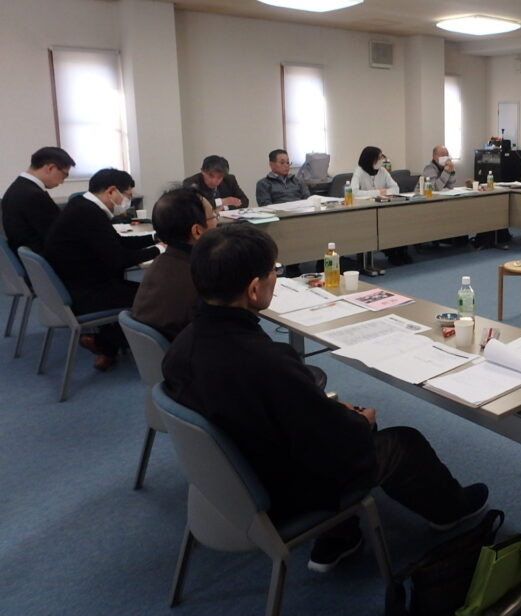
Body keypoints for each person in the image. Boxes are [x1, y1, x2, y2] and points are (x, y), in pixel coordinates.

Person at [161, 224, 488, 572]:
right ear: (254, 289)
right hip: (281, 491)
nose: (276, 278)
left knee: (336, 414)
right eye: (273, 271)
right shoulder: (267, 362)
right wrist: (359, 421)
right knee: (403, 442)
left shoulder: (181, 347)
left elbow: (285, 413)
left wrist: (328, 409)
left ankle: (341, 536)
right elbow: (334, 440)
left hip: (231, 478)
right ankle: (450, 510)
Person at [45, 168, 162, 369]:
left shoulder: (81, 205)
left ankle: (106, 345)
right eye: (127, 196)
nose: (128, 201)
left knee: (144, 292)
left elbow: (117, 242)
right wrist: (158, 250)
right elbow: (118, 259)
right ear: (111, 191)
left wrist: (154, 238)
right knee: (154, 298)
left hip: (75, 284)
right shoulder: (89, 214)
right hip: (86, 293)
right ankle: (107, 342)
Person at [131, 188, 217, 340]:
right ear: (197, 231)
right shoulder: (201, 278)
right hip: (189, 350)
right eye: (213, 216)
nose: (217, 222)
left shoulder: (160, 262)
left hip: (163, 349)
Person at [1, 146, 75, 254]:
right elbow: (57, 235)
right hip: (43, 255)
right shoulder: (34, 195)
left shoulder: (17, 187)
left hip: (25, 255)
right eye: (64, 175)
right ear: (51, 168)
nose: (62, 182)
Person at [183, 155, 248, 210]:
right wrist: (222, 201)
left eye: (219, 177)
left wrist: (225, 207)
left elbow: (244, 201)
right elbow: (194, 205)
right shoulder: (191, 182)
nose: (214, 181)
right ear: (202, 171)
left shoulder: (229, 180)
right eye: (211, 176)